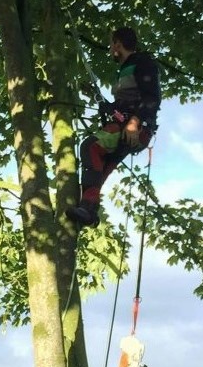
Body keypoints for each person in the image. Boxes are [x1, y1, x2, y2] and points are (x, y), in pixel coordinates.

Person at [66, 27, 161, 227]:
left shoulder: (142, 62)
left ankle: (87, 208)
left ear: (118, 44)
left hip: (135, 127)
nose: (111, 49)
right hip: (125, 124)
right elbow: (125, 104)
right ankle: (88, 211)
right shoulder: (126, 69)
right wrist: (106, 105)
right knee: (100, 168)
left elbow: (152, 97)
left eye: (112, 44)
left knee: (90, 147)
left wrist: (135, 123)